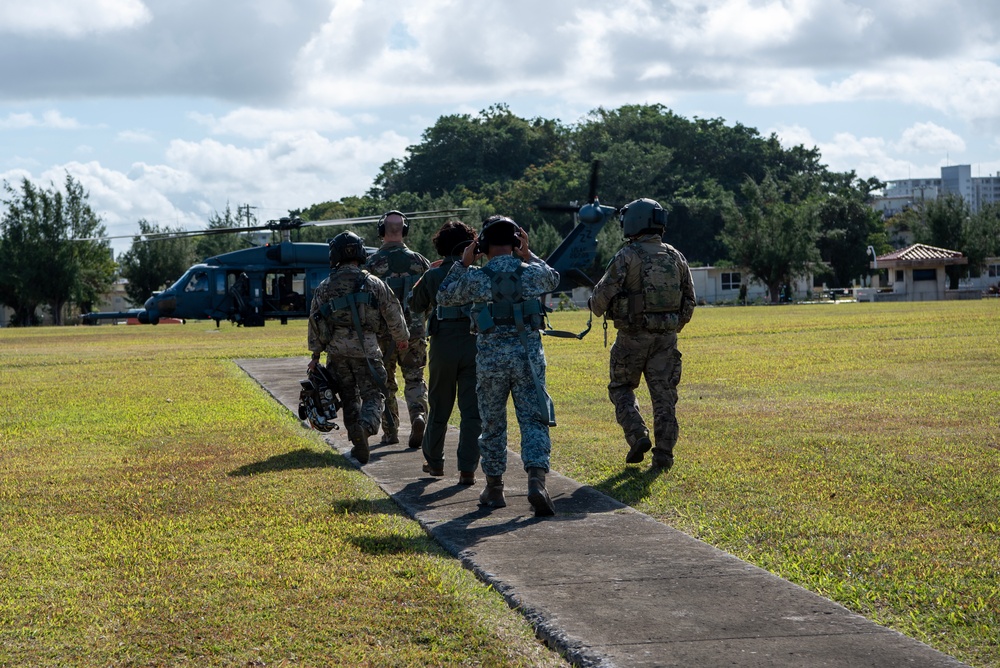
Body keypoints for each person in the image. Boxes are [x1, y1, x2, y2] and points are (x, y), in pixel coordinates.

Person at [437, 215, 559, 517]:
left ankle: (494, 488)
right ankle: (536, 481)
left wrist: (464, 262)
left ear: (482, 245)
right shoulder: (532, 273)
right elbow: (554, 277)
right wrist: (529, 254)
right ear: (516, 242)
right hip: (528, 359)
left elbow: (444, 295)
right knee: (533, 420)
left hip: (491, 361)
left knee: (492, 423)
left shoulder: (476, 277)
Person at [588, 198, 696, 472]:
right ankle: (664, 455)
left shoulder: (627, 255)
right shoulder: (676, 256)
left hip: (632, 338)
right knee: (664, 396)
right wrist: (671, 327)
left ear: (635, 221)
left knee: (621, 388)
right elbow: (689, 301)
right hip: (667, 339)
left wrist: (596, 306)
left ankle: (637, 434)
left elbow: (601, 298)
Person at [308, 231, 410, 465]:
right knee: (375, 395)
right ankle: (365, 429)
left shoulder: (325, 286)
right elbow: (393, 311)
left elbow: (315, 321)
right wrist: (401, 337)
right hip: (368, 351)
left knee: (348, 397)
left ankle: (358, 442)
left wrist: (315, 355)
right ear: (361, 254)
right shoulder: (373, 283)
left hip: (337, 353)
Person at [409, 220, 481, 485]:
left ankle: (435, 462)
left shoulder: (434, 274)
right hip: (474, 342)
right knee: (472, 410)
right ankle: (468, 469)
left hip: (443, 343)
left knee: (440, 405)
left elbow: (415, 304)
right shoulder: (475, 272)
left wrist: (427, 275)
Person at [364, 210, 431, 449]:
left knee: (385, 382)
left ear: (382, 231)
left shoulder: (370, 265)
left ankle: (390, 431)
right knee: (415, 378)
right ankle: (418, 416)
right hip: (414, 334)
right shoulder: (420, 262)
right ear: (405, 230)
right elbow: (430, 299)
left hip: (384, 336)